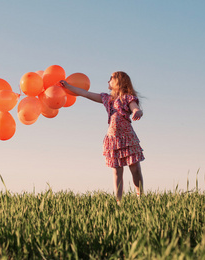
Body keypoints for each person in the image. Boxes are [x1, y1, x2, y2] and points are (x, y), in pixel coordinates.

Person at [60, 71, 145, 203]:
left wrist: (137, 111)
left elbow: (134, 107)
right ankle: (119, 202)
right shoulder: (107, 98)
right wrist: (67, 86)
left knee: (135, 168)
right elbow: (85, 93)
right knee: (117, 172)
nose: (107, 81)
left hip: (127, 137)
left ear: (118, 81)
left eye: (110, 78)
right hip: (112, 139)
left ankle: (141, 197)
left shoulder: (127, 98)